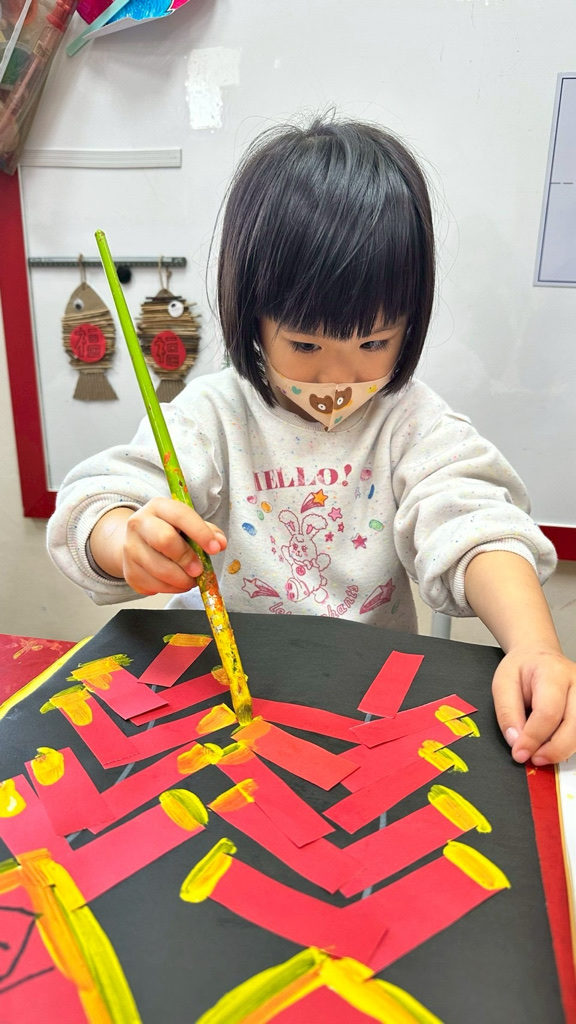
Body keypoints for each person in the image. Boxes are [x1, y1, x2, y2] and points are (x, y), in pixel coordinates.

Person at [48, 115, 576, 767]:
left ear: (410, 325)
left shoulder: (408, 421)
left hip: (361, 706)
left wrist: (532, 644)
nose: (337, 377)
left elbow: (474, 523)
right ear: (253, 320)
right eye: (304, 345)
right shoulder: (214, 415)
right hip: (218, 699)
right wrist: (124, 540)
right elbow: (100, 500)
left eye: (373, 343)